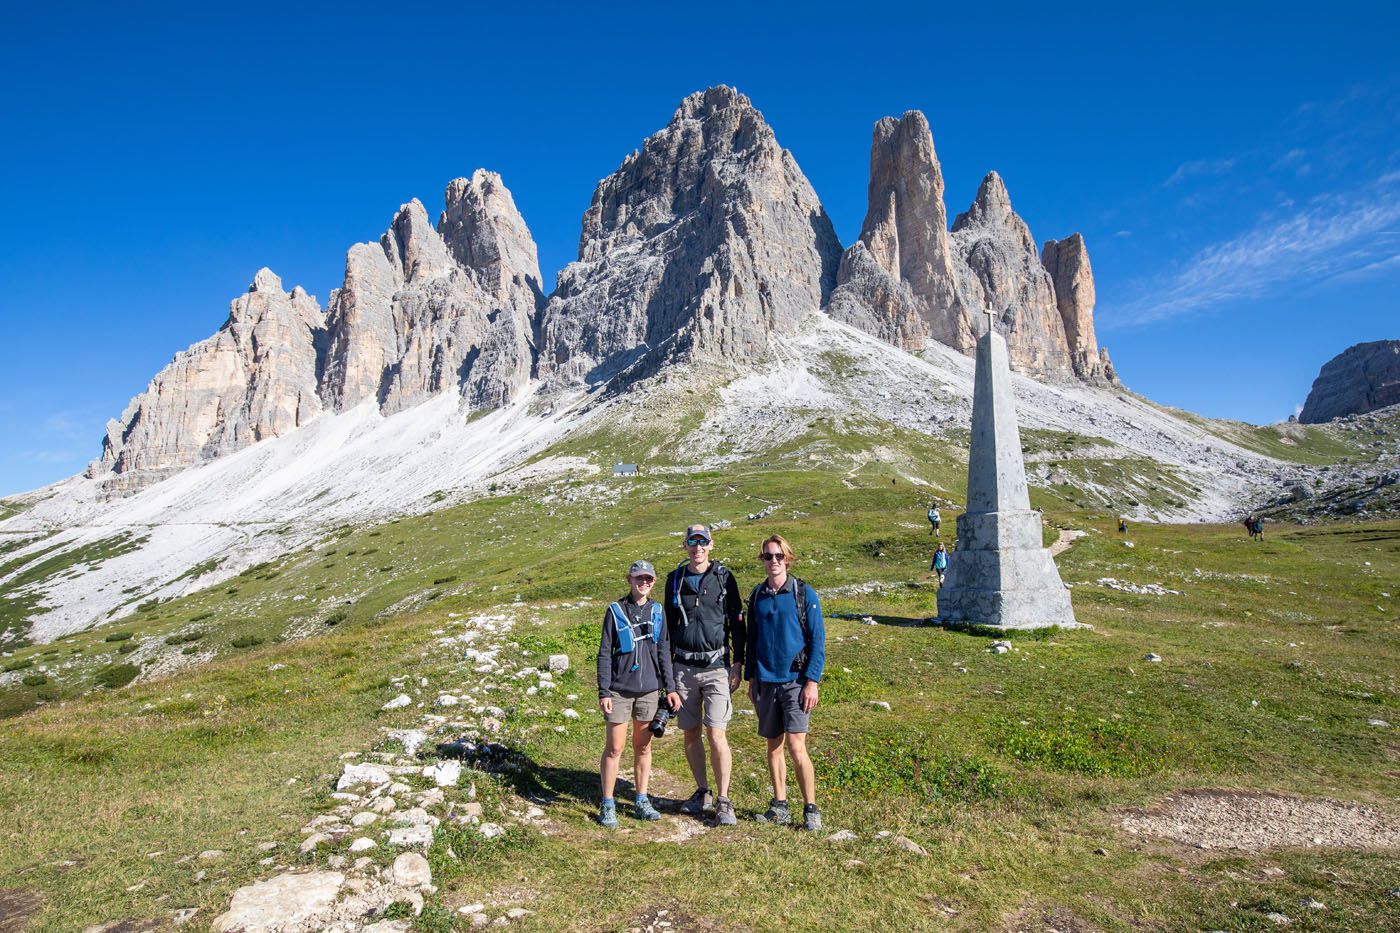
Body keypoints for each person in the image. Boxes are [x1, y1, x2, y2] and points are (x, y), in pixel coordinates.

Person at [663, 523, 746, 827]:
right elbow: (667, 627)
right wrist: (667, 673)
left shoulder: (724, 577)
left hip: (716, 667)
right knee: (690, 732)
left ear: (711, 545)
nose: (697, 547)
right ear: (685, 546)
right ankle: (702, 791)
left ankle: (723, 799)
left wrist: (738, 663)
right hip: (683, 668)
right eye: (692, 542)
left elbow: (737, 622)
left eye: (702, 541)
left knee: (716, 733)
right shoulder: (675, 580)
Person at [745, 534, 825, 831]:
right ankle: (780, 806)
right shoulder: (757, 596)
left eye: (779, 556)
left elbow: (817, 640)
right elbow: (751, 640)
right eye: (768, 556)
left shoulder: (804, 594)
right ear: (763, 560)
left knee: (796, 745)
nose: (774, 561)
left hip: (795, 681)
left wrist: (812, 681)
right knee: (773, 745)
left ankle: (810, 808)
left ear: (788, 559)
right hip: (766, 681)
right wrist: (751, 678)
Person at [596, 560, 680, 827]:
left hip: (649, 691)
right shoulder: (615, 611)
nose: (644, 582)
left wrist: (671, 688)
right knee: (615, 748)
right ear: (629, 580)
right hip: (619, 691)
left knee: (643, 747)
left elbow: (664, 650)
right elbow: (604, 653)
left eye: (648, 579)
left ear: (653, 582)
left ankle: (641, 800)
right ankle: (607, 803)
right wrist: (604, 691)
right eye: (639, 578)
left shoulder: (657, 611)